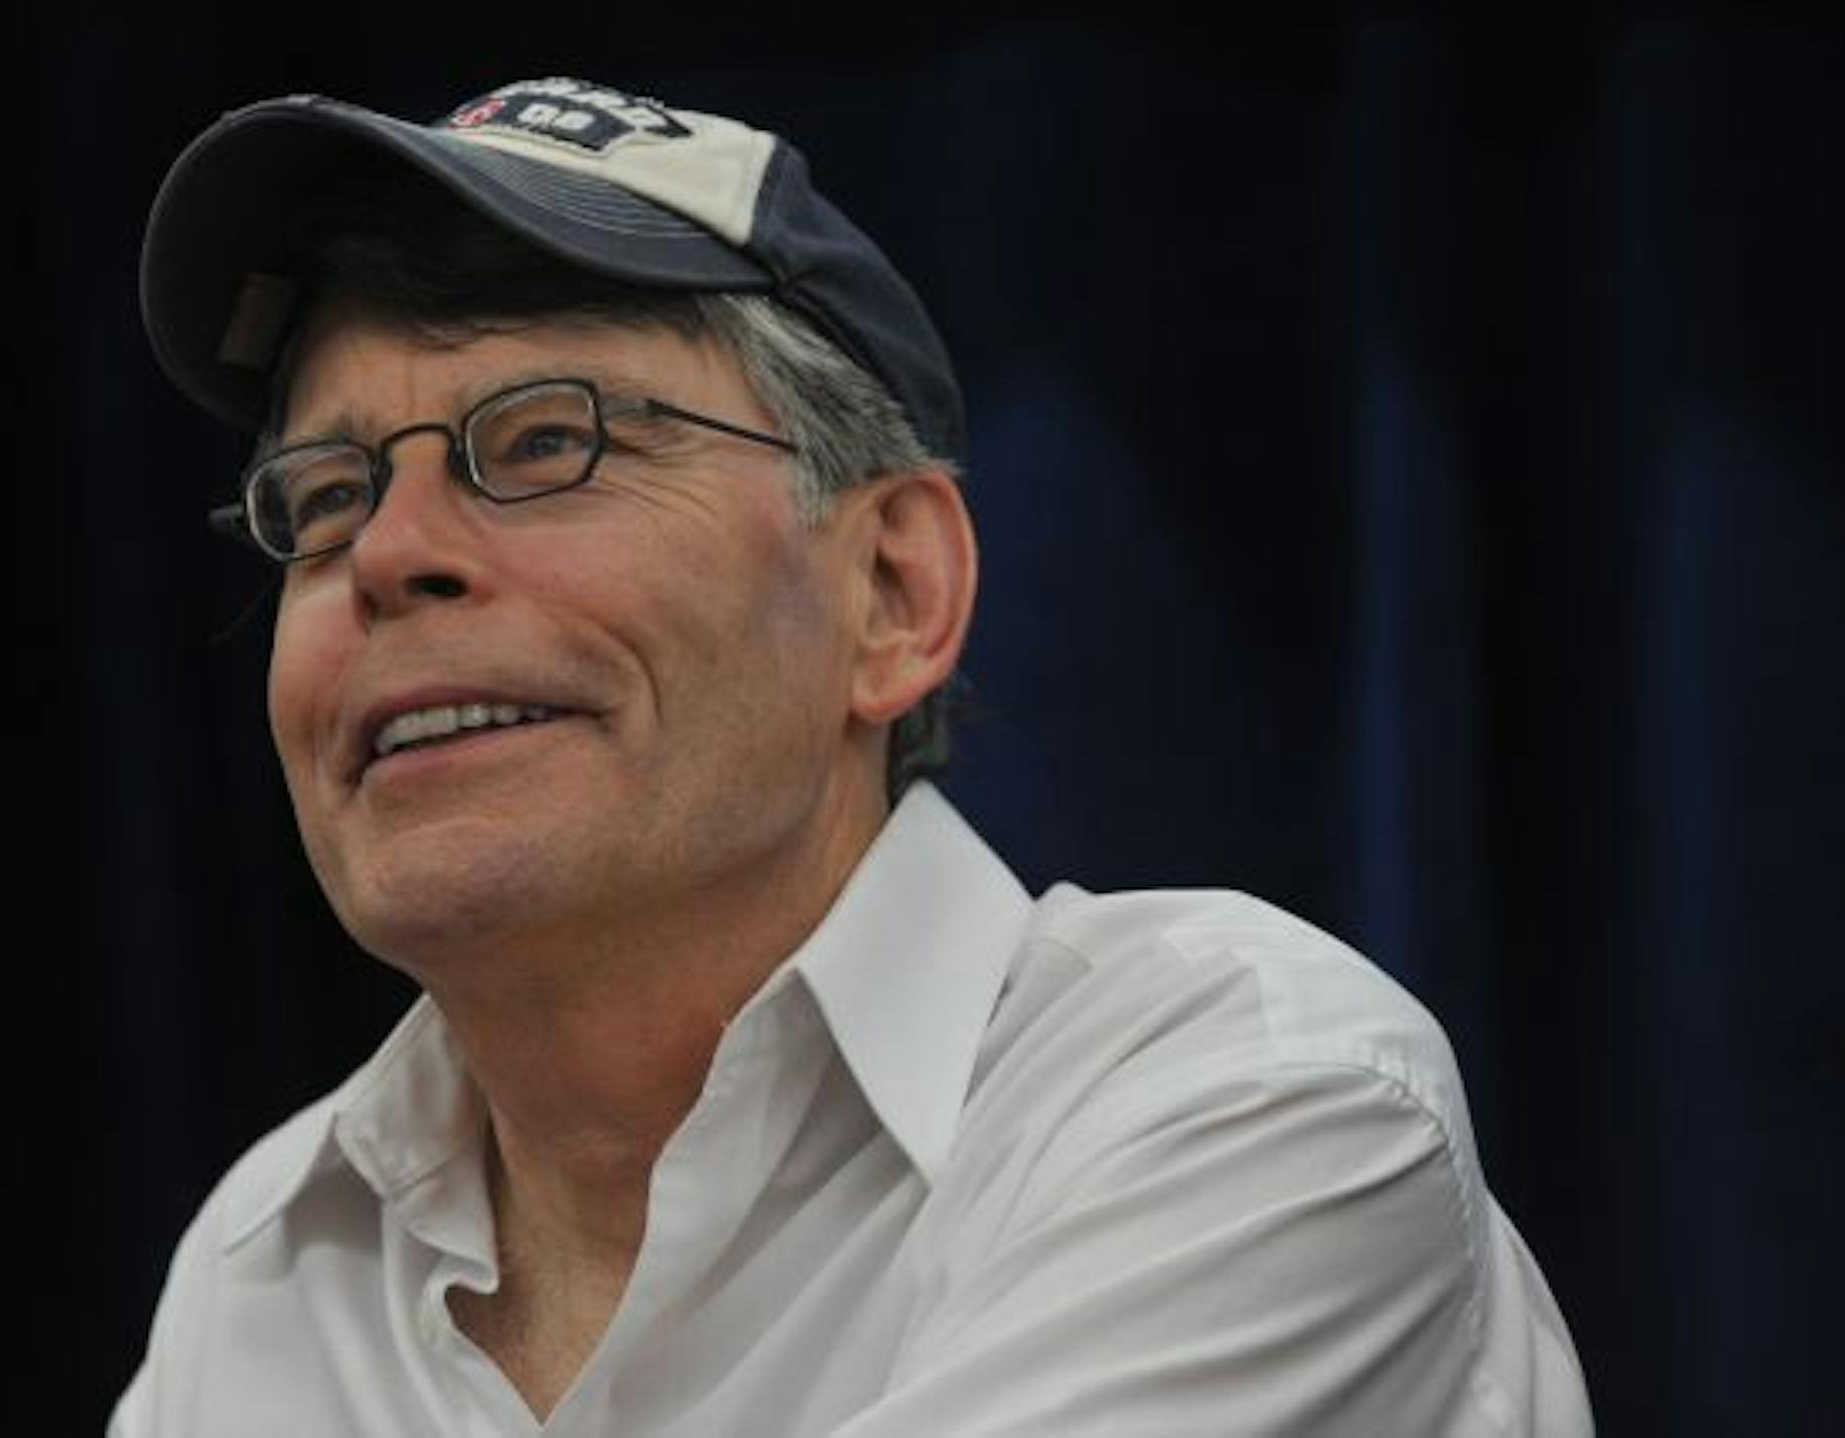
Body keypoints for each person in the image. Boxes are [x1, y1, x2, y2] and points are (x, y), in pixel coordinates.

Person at [114, 77, 1592, 1436]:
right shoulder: (267, 1268)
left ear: (892, 591)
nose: (387, 552)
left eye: (546, 439)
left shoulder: (1254, 1104)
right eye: (321, 496)